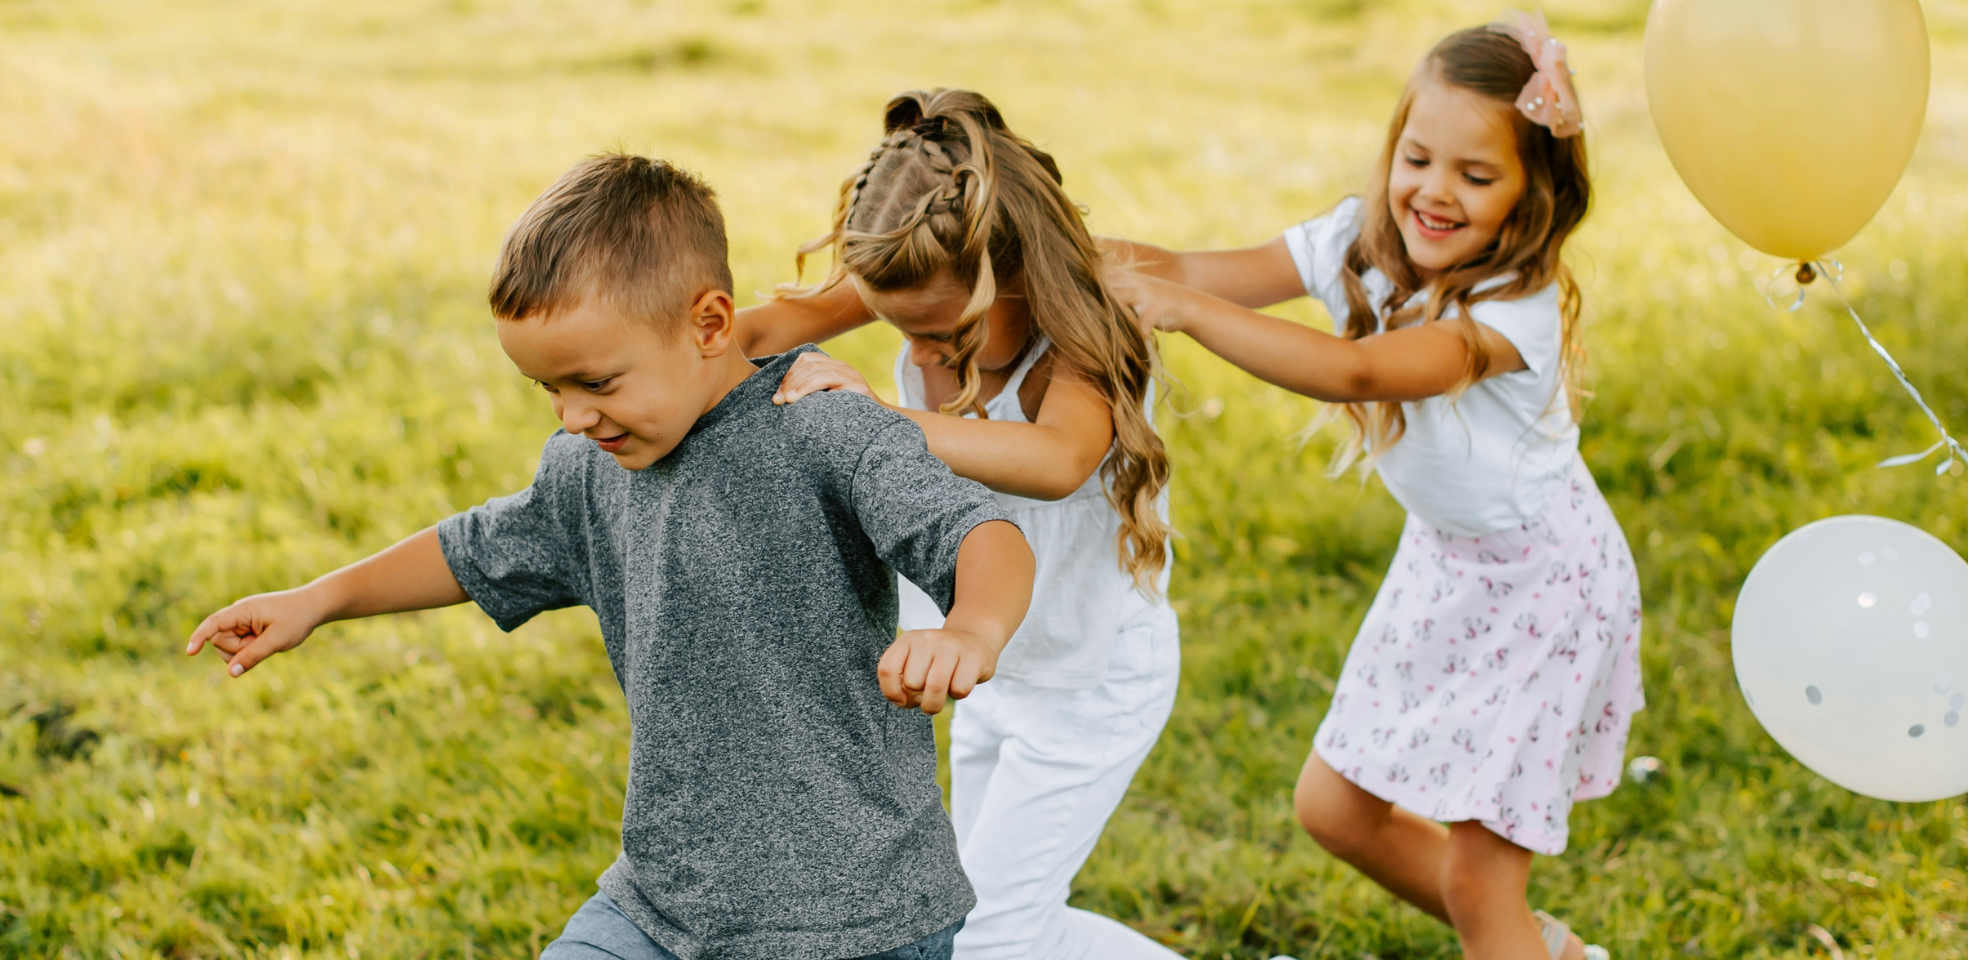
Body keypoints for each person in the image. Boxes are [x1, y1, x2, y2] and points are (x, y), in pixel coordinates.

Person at [183, 153, 1037, 960]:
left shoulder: (822, 426)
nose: (572, 416)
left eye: (594, 383)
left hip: (854, 914)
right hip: (663, 901)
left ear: (708, 323)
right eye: (548, 389)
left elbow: (982, 537)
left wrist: (970, 631)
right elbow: (475, 549)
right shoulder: (591, 468)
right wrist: (319, 599)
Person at [1108, 15, 1634, 960]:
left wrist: (1187, 314)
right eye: (1418, 158)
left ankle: (1507, 935)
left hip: (1544, 587)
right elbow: (1194, 267)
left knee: (1480, 882)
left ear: (1531, 194)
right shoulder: (1362, 240)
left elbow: (1358, 373)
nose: (1434, 192)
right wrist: (1049, 250)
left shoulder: (1518, 310)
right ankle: (1535, 948)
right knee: (1336, 807)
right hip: (1445, 563)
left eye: (1475, 176)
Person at [739, 89, 1185, 960]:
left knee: (989, 942)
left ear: (1014, 272)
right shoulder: (923, 282)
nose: (925, 353)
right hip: (993, 665)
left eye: (943, 336)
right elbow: (762, 328)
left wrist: (879, 414)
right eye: (902, 333)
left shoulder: (1085, 338)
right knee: (986, 925)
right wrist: (647, 361)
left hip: (1091, 683)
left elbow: (1057, 460)